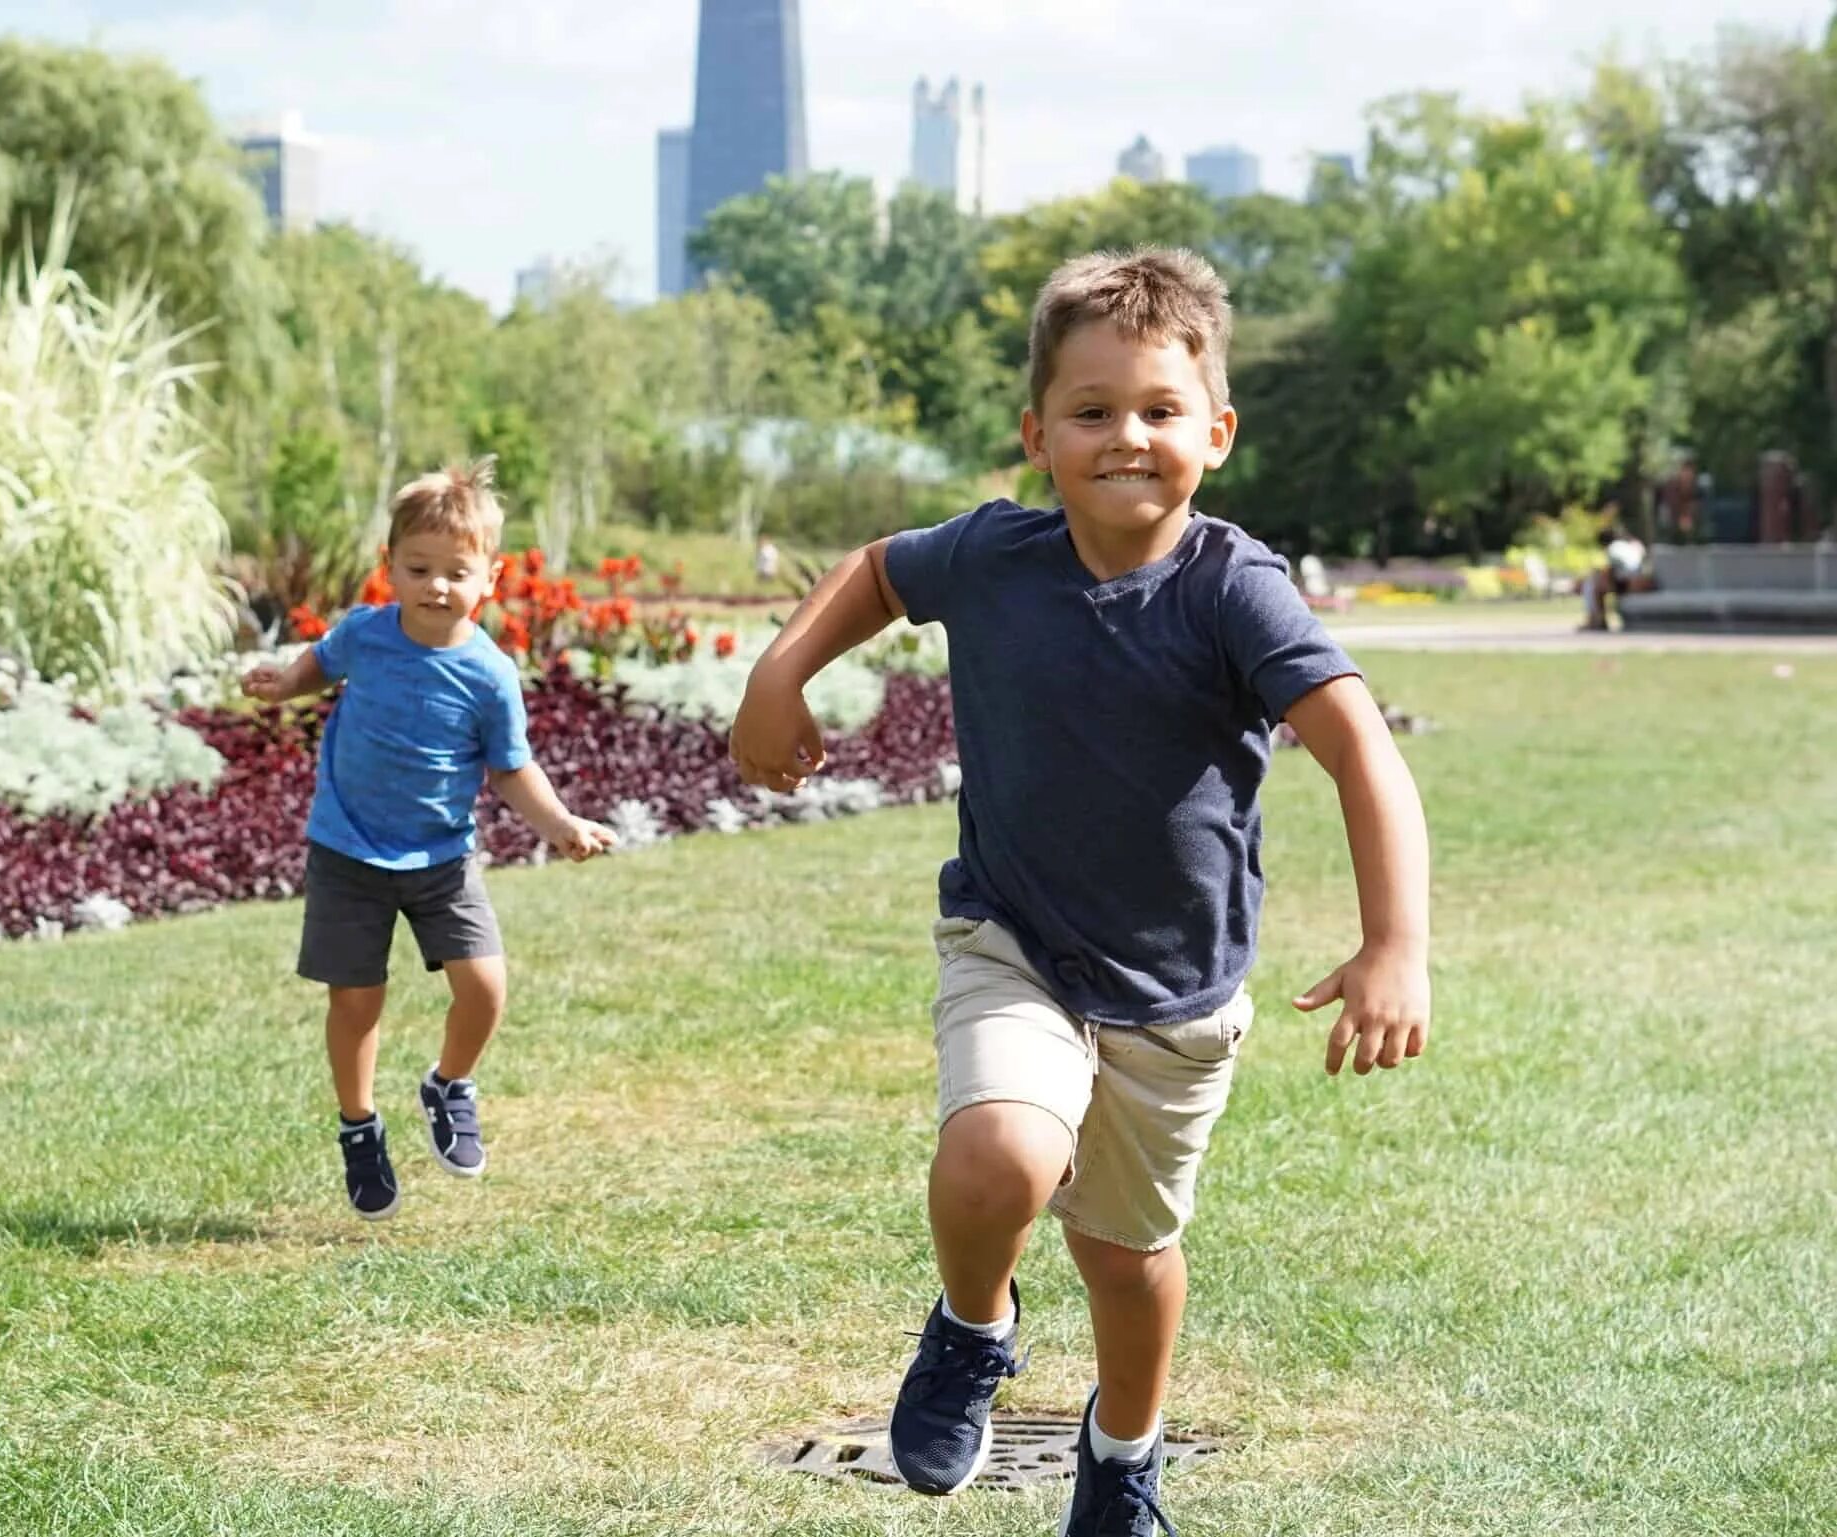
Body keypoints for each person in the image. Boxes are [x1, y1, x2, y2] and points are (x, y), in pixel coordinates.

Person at [729, 248, 1433, 1536]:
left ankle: (1122, 1457)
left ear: (1214, 433)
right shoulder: (997, 554)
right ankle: (970, 1329)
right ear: (1036, 435)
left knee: (1123, 1257)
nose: (1127, 437)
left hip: (1178, 989)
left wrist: (1397, 942)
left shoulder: (1235, 589)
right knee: (1000, 1152)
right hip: (1014, 939)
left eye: (1161, 411)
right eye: (1092, 411)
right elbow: (882, 570)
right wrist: (782, 671)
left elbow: (1359, 747)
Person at [243, 458, 616, 1221]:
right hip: (347, 849)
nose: (436, 585)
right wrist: (286, 682)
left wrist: (560, 825)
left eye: (456, 571)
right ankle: (359, 1125)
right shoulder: (366, 635)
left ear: (490, 578)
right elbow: (322, 662)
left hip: (442, 857)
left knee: (484, 986)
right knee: (356, 998)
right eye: (418, 568)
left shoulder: (487, 674)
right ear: (390, 567)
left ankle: (449, 1083)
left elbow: (512, 769)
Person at [1580, 525, 1648, 631]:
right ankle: (1598, 620)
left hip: (1631, 582)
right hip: (1644, 580)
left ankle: (1598, 620)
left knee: (1595, 587)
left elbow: (1615, 570)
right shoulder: (1630, 545)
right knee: (1598, 582)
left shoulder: (1613, 549)